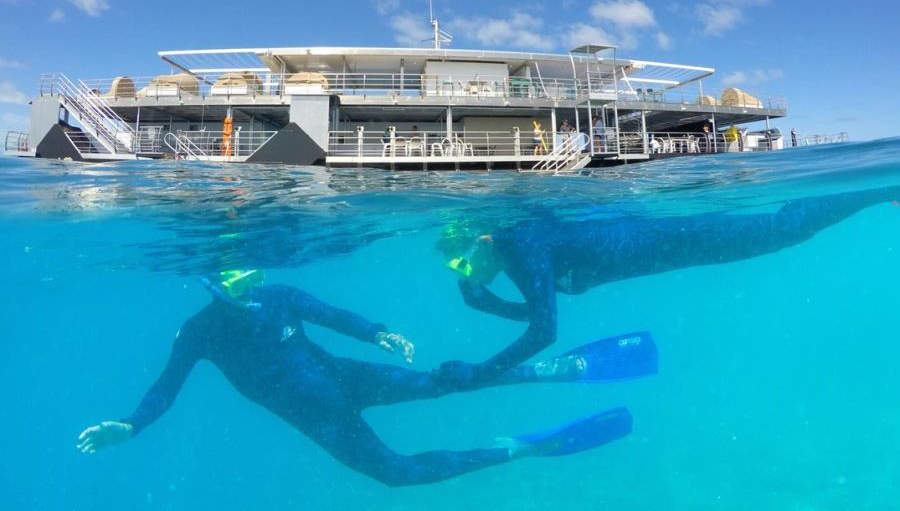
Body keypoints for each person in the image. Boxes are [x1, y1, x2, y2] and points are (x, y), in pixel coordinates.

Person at [77, 270, 657, 487]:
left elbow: (334, 316)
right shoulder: (198, 332)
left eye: (250, 273)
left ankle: (540, 372)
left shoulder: (279, 295)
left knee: (445, 381)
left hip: (348, 379)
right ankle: (515, 452)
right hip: (321, 421)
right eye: (232, 280)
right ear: (209, 283)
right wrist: (131, 426)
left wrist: (380, 331)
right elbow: (165, 389)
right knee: (398, 476)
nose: (247, 284)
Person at [435, 186, 900, 387]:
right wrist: (495, 306)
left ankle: (883, 188)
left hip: (678, 236)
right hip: (675, 252)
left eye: (461, 261)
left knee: (785, 228)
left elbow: (544, 332)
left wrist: (481, 372)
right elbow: (545, 312)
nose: (463, 274)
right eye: (453, 269)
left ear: (481, 240)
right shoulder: (514, 261)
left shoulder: (522, 242)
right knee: (783, 232)